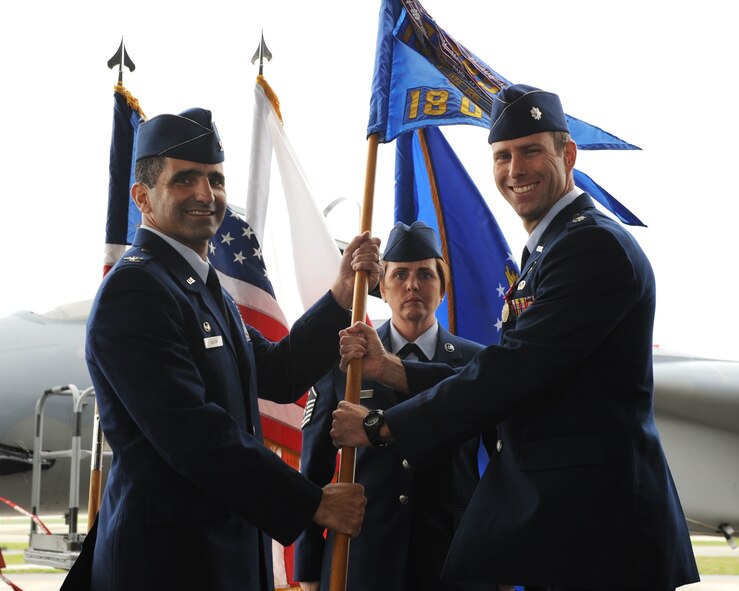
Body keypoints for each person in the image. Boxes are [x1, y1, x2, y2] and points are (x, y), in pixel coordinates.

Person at [330, 84, 700, 591]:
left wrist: (382, 425)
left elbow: (515, 372)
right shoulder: (553, 249)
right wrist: (394, 370)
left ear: (567, 155)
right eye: (502, 156)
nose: (514, 170)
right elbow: (519, 370)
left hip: (601, 535)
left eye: (531, 151)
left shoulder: (590, 246)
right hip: (572, 529)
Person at [64, 108, 378, 591]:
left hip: (221, 559)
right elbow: (193, 434)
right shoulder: (138, 292)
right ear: (142, 198)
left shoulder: (201, 289)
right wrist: (312, 502)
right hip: (167, 566)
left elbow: (276, 372)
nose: (206, 195)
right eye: (185, 179)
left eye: (215, 179)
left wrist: (339, 297)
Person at [295, 221, 495, 591]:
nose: (412, 285)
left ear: (443, 287)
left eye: (425, 274)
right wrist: (308, 571)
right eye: (400, 274)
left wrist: (502, 568)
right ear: (382, 289)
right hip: (362, 561)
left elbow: (502, 470)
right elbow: (314, 470)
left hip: (453, 563)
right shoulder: (345, 361)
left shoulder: (477, 364)